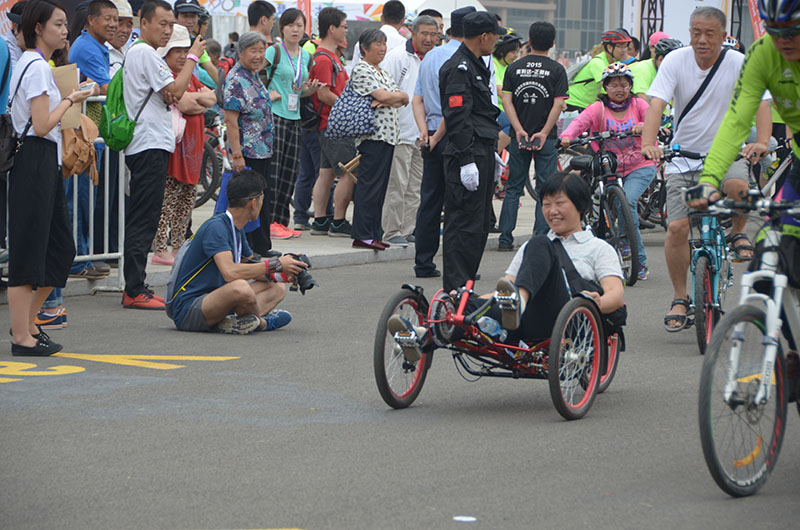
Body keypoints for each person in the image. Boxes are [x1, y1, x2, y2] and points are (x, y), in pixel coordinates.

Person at [389, 172, 624, 357]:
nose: (552, 211)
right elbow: (506, 288)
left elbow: (617, 294)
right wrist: (470, 301)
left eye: (560, 203)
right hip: (523, 321)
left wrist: (596, 302)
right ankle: (421, 337)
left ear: (580, 207)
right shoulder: (531, 249)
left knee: (541, 243)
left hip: (568, 317)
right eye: (546, 204)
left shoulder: (598, 248)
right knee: (463, 304)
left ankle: (517, 305)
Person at [688, 0, 800, 385]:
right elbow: (736, 121)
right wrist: (709, 178)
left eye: (793, 32)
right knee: (768, 264)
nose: (784, 41)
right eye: (776, 31)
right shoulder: (763, 54)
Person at [640, 6, 772, 331]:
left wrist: (763, 142)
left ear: (724, 36)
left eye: (709, 34)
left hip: (726, 156)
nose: (701, 40)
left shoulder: (740, 63)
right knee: (677, 229)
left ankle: (738, 233)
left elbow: (762, 103)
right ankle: (680, 296)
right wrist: (649, 142)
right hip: (683, 157)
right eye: (695, 32)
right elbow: (656, 103)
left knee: (740, 189)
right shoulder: (675, 61)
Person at [8, 0, 97, 355]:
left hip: (42, 158)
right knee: (30, 250)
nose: (65, 30)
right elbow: (43, 123)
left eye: (65, 24)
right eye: (58, 25)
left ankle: (28, 327)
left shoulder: (39, 65)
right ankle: (21, 336)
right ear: (38, 28)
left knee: (59, 248)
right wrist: (71, 99)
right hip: (32, 156)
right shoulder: (35, 66)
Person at [122, 0, 206, 310]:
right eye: (162, 24)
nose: (167, 31)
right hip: (147, 143)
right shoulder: (145, 53)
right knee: (144, 218)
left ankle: (136, 285)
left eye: (171, 25)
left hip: (152, 143)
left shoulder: (142, 53)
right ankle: (133, 288)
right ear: (143, 22)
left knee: (145, 215)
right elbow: (176, 92)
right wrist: (194, 58)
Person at [168, 169, 306, 334]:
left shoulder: (236, 228)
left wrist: (284, 271)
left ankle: (233, 322)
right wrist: (275, 264)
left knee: (277, 287)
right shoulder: (216, 227)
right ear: (253, 203)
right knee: (240, 287)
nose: (262, 206)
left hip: (217, 299)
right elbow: (230, 273)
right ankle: (261, 323)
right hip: (190, 309)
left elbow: (252, 270)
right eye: (262, 200)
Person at [561, 62, 655, 280]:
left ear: (630, 86)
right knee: (614, 202)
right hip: (609, 167)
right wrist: (567, 136)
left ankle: (637, 257)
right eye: (613, 85)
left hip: (640, 164)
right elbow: (578, 124)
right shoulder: (598, 109)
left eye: (624, 84)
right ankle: (620, 241)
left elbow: (653, 118)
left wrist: (644, 124)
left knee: (628, 200)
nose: (619, 89)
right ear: (605, 87)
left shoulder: (639, 104)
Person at [439, 11, 505, 291]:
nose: (497, 41)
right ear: (484, 36)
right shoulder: (459, 67)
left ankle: (465, 288)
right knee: (464, 226)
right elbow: (457, 117)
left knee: (477, 227)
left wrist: (489, 152)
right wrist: (467, 160)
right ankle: (456, 292)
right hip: (466, 154)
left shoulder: (475, 64)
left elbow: (479, 115)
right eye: (495, 36)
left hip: (479, 149)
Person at [411, 6, 476, 278]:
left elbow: (417, 98)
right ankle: (457, 265)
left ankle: (423, 261)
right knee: (459, 203)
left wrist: (426, 132)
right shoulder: (468, 59)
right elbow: (457, 107)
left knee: (430, 200)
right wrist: (438, 135)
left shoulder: (430, 57)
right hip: (455, 133)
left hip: (432, 133)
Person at [499, 20, 567, 249]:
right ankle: (540, 237)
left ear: (529, 41)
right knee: (544, 189)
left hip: (518, 136)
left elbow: (506, 100)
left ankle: (505, 238)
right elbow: (558, 105)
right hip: (546, 139)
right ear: (553, 43)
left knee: (513, 188)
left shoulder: (514, 68)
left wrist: (518, 128)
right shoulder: (557, 70)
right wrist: (545, 132)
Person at [152, 24, 216, 266]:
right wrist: (196, 100)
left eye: (184, 50)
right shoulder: (166, 76)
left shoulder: (192, 76)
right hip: (173, 152)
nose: (181, 55)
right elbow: (187, 104)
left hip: (192, 152)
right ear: (166, 54)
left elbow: (210, 98)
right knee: (166, 202)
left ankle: (179, 247)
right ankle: (161, 249)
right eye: (175, 50)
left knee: (186, 200)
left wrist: (194, 99)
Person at [65, 0, 117, 281]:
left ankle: (82, 256)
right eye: (107, 18)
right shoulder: (86, 47)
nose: (112, 24)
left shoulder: (97, 46)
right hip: (81, 136)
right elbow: (107, 88)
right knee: (79, 198)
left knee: (86, 199)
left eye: (115, 19)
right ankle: (76, 259)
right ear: (91, 21)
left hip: (91, 134)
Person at [380, 14, 438, 247]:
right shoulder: (398, 57)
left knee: (416, 186)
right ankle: (391, 230)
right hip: (400, 132)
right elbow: (383, 90)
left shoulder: (434, 59)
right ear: (412, 33)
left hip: (424, 133)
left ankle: (408, 228)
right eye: (424, 33)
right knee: (397, 184)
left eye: (434, 34)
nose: (428, 38)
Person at [348, 29, 408, 250]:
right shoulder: (362, 69)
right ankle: (362, 234)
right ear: (364, 48)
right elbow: (385, 96)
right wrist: (392, 97)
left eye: (384, 43)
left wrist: (396, 97)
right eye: (377, 44)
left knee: (380, 187)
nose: (382, 48)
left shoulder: (381, 71)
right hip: (373, 135)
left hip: (389, 136)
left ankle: (373, 233)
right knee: (369, 185)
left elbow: (401, 96)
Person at [263, 8, 320, 239]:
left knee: (290, 173)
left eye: (299, 25)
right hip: (275, 116)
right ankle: (268, 222)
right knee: (274, 173)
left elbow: (297, 88)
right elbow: (254, 78)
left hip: (295, 118)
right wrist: (268, 93)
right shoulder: (273, 52)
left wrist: (310, 90)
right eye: (291, 25)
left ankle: (281, 221)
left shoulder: (306, 56)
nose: (295, 30)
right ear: (282, 28)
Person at [223, 31, 277, 259]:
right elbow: (231, 120)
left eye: (261, 50)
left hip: (263, 149)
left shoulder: (254, 75)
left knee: (262, 197)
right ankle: (248, 249)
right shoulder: (236, 79)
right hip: (247, 150)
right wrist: (237, 154)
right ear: (241, 52)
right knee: (249, 200)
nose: (258, 55)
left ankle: (262, 245)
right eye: (253, 51)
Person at [309, 7, 355, 237]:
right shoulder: (323, 59)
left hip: (331, 123)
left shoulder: (332, 56)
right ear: (332, 28)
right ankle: (338, 221)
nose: (346, 30)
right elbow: (324, 93)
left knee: (326, 172)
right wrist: (347, 108)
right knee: (348, 171)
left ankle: (319, 220)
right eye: (344, 26)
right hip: (335, 123)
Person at [566, 29, 631, 112]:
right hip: (575, 105)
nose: (623, 50)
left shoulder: (615, 63)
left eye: (625, 46)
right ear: (609, 47)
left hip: (589, 107)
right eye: (619, 46)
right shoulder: (598, 62)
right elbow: (607, 87)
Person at [172, 0, 217, 84]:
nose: (190, 21)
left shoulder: (196, 42)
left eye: (193, 16)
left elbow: (209, 68)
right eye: (185, 16)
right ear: (175, 17)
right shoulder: (168, 41)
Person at [350, 0, 406, 66]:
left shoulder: (363, 41)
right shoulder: (404, 44)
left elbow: (353, 71)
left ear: (382, 18)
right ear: (403, 21)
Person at [107, 0, 134, 76]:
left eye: (129, 24)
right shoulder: (98, 52)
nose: (125, 30)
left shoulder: (128, 51)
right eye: (120, 23)